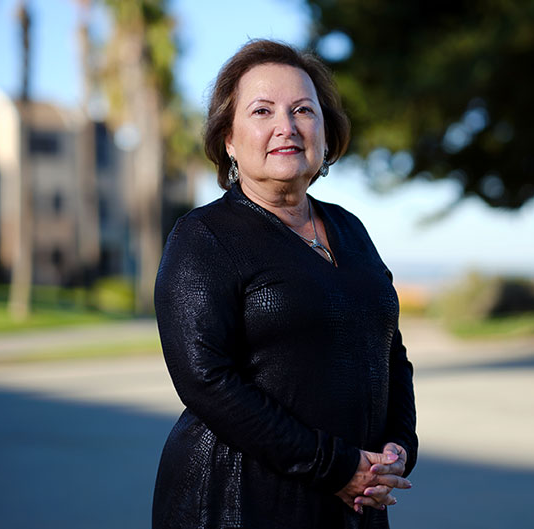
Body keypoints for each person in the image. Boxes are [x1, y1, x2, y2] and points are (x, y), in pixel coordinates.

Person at [152, 39, 418, 529]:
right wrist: (334, 466)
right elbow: (206, 380)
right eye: (262, 111)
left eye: (303, 110)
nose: (286, 127)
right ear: (229, 139)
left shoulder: (351, 229)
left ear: (324, 128)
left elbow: (389, 348)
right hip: (239, 502)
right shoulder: (203, 236)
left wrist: (398, 447)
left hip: (352, 501)